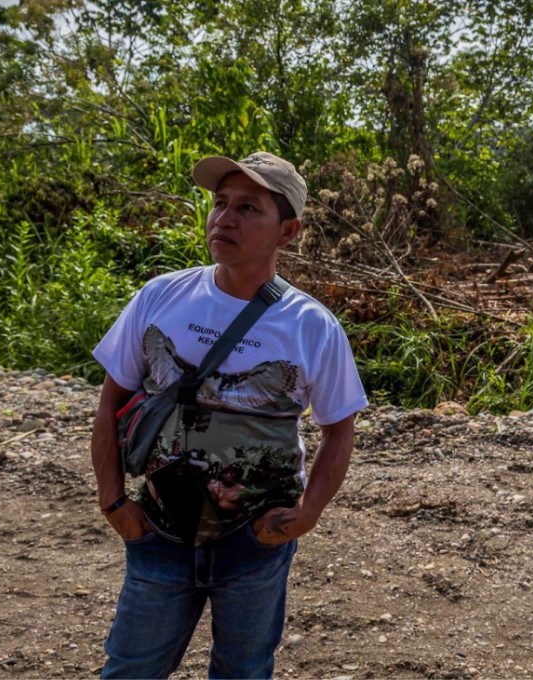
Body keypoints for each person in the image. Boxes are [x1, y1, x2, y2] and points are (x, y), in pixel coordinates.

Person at [90, 150, 368, 679]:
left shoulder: (311, 325)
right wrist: (113, 503)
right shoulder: (160, 297)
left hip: (253, 538)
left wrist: (306, 515)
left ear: (287, 232)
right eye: (220, 204)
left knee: (243, 671)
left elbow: (339, 430)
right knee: (129, 670)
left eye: (248, 207)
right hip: (159, 530)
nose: (225, 219)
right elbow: (110, 404)